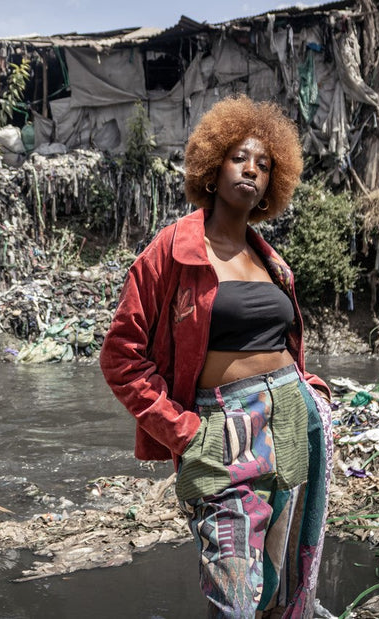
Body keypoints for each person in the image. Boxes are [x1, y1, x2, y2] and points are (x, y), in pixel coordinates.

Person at [99, 94, 334, 618]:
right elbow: (120, 358)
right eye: (239, 157)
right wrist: (183, 431)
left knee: (279, 576)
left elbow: (280, 341)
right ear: (212, 168)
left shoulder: (270, 260)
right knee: (231, 587)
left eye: (265, 164)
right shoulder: (173, 250)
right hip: (221, 429)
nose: (252, 169)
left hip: (294, 421)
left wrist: (308, 386)